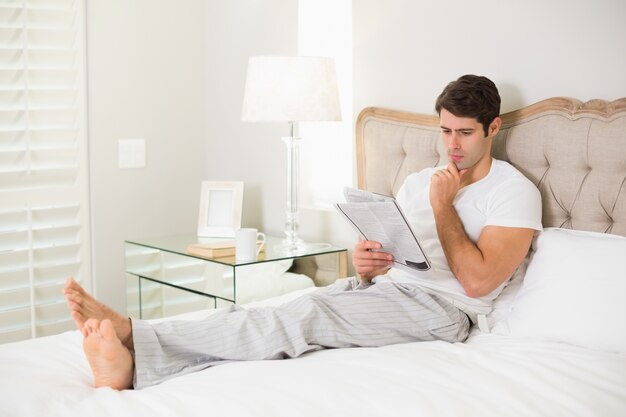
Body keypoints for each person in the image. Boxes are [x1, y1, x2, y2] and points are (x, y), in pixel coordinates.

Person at [64, 74, 542, 390]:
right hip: (391, 291)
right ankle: (138, 350)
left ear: (493, 128)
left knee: (304, 315)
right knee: (279, 310)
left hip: (445, 312)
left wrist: (444, 207)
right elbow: (403, 251)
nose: (451, 146)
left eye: (464, 134)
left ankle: (134, 345)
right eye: (445, 132)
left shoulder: (512, 193)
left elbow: (477, 283)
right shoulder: (419, 181)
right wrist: (370, 264)